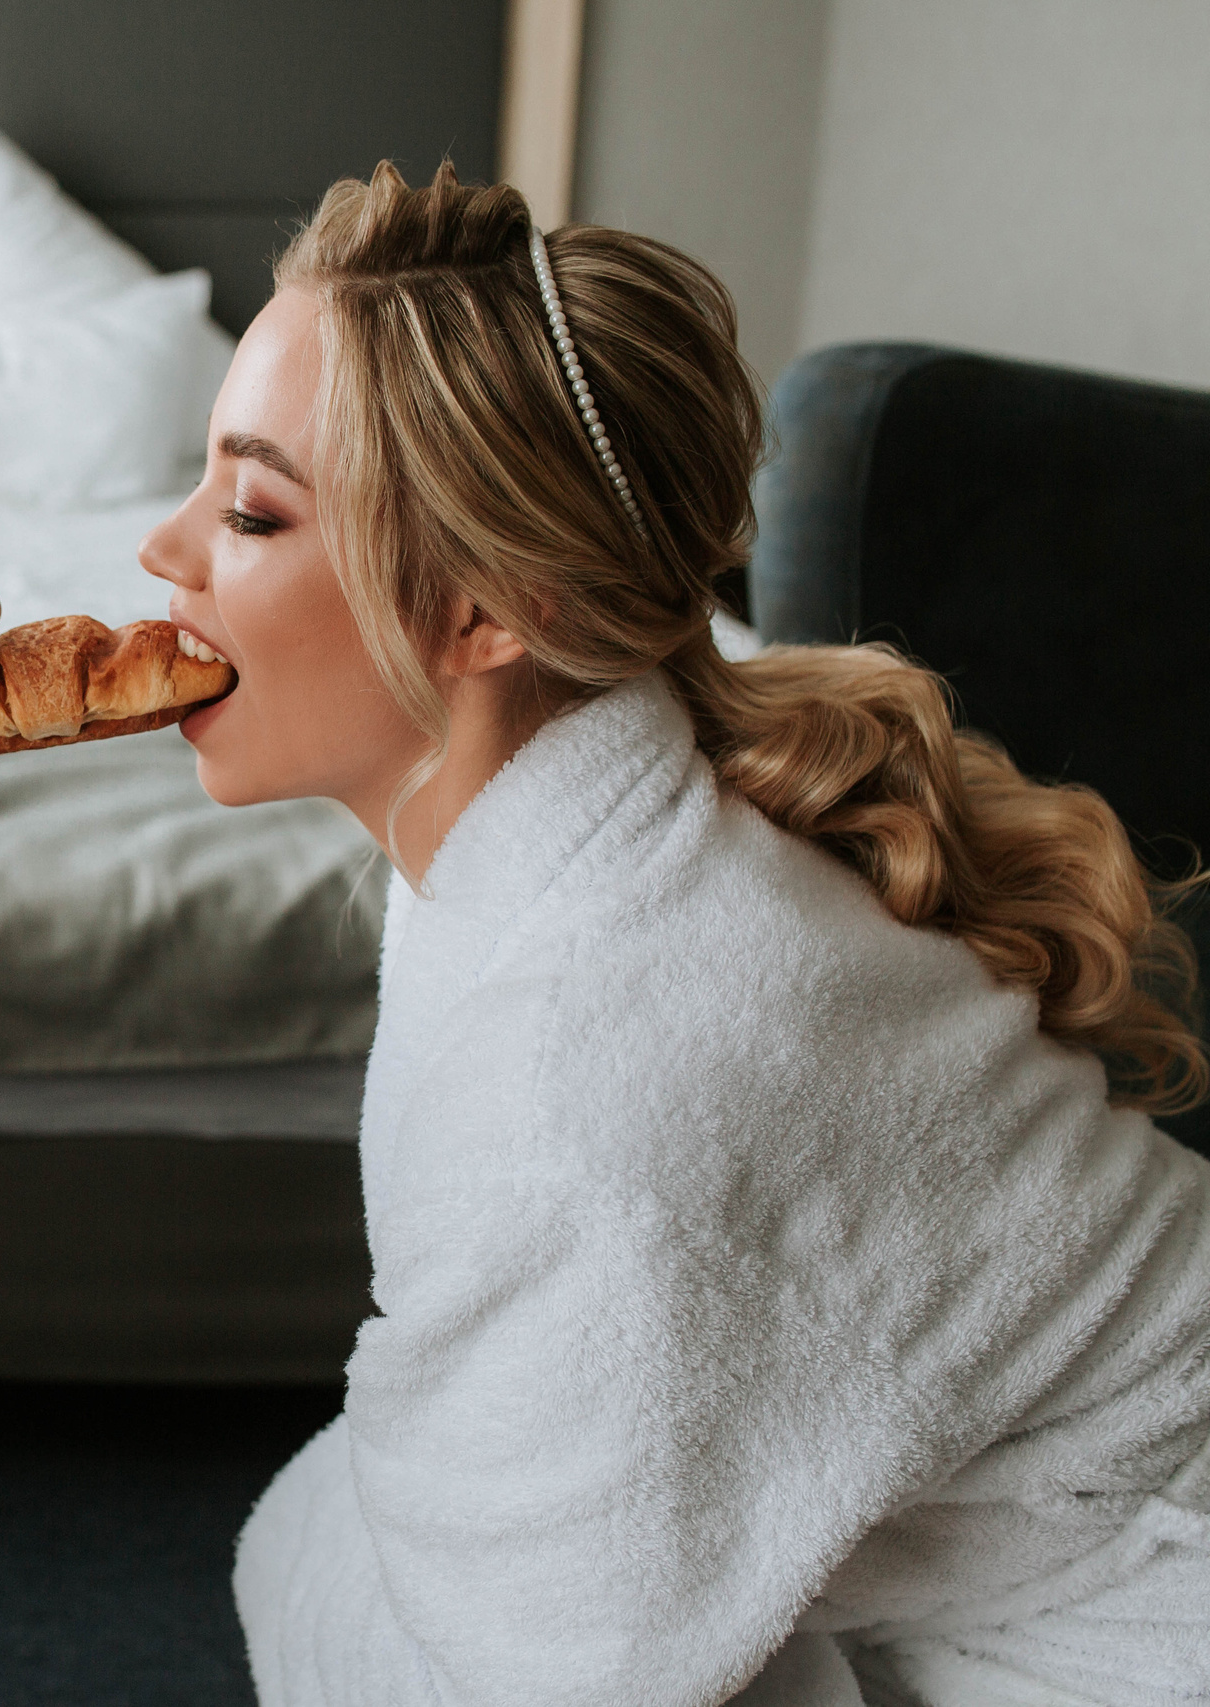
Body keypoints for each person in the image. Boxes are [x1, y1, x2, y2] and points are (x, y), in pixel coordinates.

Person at [146, 162, 1210, 1706]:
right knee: (334, 1518)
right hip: (1031, 1521)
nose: (162, 551)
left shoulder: (598, 1071)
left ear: (486, 612)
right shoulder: (606, 853)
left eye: (249, 508)